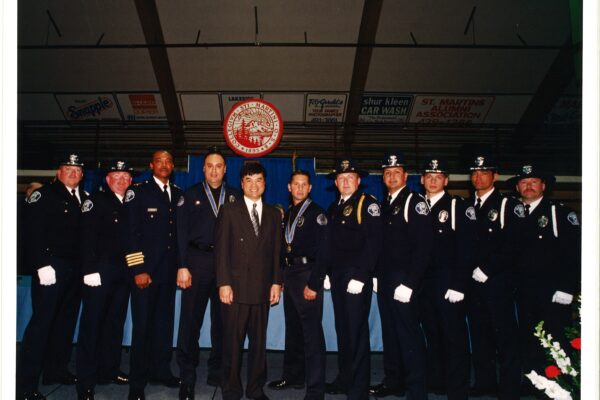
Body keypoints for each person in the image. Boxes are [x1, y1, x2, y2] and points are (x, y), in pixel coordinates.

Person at [18, 154, 89, 400]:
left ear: (82, 175)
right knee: (42, 325)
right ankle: (25, 385)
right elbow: (31, 232)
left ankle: (55, 371)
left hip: (75, 269)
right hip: (51, 268)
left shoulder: (85, 199)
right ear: (58, 173)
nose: (72, 173)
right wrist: (41, 265)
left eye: (77, 170)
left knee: (65, 323)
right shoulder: (44, 195)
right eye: (67, 169)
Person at [175, 148, 241, 400]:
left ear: (225, 170)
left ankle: (218, 371)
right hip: (196, 261)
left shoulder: (235, 196)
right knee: (190, 321)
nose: (214, 170)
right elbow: (181, 233)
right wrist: (182, 265)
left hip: (227, 265)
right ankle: (187, 376)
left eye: (219, 166)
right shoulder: (189, 195)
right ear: (203, 169)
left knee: (224, 322)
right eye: (210, 166)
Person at [508, 164, 581, 388]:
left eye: (534, 182)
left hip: (553, 291)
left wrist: (568, 287)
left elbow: (576, 252)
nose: (528, 186)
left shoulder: (558, 212)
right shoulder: (515, 213)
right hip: (523, 289)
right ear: (518, 187)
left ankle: (561, 385)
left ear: (544, 186)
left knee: (555, 339)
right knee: (528, 338)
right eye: (524, 182)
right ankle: (534, 382)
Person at [214, 162, 283, 400]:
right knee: (232, 344)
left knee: (258, 345)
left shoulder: (274, 214)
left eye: (259, 180)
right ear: (242, 183)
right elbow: (221, 251)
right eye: (249, 180)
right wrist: (223, 283)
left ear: (265, 183)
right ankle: (231, 389)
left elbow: (277, 252)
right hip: (235, 289)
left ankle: (255, 388)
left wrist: (276, 282)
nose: (254, 185)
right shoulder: (229, 210)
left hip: (262, 289)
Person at [370, 152, 432, 400]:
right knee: (390, 333)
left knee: (408, 335)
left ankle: (417, 391)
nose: (392, 176)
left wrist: (410, 283)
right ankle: (394, 381)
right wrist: (376, 275)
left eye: (396, 172)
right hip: (385, 278)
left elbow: (424, 246)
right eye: (387, 173)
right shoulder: (386, 203)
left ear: (406, 176)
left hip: (404, 280)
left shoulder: (413, 201)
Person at [123, 150, 183, 400]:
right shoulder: (138, 192)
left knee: (164, 325)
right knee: (143, 328)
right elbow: (129, 233)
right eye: (159, 161)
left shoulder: (178, 194)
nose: (164, 164)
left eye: (169, 161)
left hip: (168, 274)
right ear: (151, 165)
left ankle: (161, 370)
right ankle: (137, 383)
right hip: (145, 274)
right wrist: (138, 269)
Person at [75, 160, 134, 400]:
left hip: (123, 273)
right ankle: (86, 381)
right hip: (99, 272)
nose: (121, 181)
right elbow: (85, 236)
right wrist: (89, 269)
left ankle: (109, 370)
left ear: (130, 181)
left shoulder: (131, 203)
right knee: (92, 325)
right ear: (107, 180)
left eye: (125, 177)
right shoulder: (96, 201)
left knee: (114, 323)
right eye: (116, 176)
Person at [267, 170, 328, 399]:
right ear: (289, 187)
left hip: (308, 274)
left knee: (311, 334)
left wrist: (314, 283)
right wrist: (281, 278)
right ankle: (293, 376)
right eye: (296, 184)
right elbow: (284, 250)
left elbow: (324, 253)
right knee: (293, 330)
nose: (300, 188)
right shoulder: (288, 213)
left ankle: (315, 390)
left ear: (310, 188)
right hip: (291, 273)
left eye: (304, 184)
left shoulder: (317, 214)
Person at [324, 159, 382, 400]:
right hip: (338, 277)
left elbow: (375, 242)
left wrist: (362, 275)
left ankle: (358, 392)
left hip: (356, 276)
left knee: (356, 333)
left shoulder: (367, 204)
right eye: (341, 178)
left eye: (350, 177)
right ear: (336, 183)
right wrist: (328, 272)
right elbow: (331, 244)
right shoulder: (335, 207)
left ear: (358, 181)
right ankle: (345, 379)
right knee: (343, 331)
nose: (345, 181)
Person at [419, 158, 475, 400]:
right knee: (432, 332)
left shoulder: (457, 206)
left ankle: (458, 389)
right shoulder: (418, 205)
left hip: (448, 280)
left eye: (438, 176)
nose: (433, 180)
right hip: (424, 281)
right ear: (422, 180)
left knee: (454, 336)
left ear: (446, 181)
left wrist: (459, 283)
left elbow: (468, 247)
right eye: (429, 176)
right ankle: (438, 381)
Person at [467, 154, 522, 399]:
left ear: (495, 176)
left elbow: (513, 244)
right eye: (475, 173)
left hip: (497, 282)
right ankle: (485, 382)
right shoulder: (468, 205)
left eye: (484, 173)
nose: (479, 177)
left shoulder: (507, 205)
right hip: (472, 283)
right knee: (480, 335)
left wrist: (488, 269)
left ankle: (509, 388)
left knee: (504, 337)